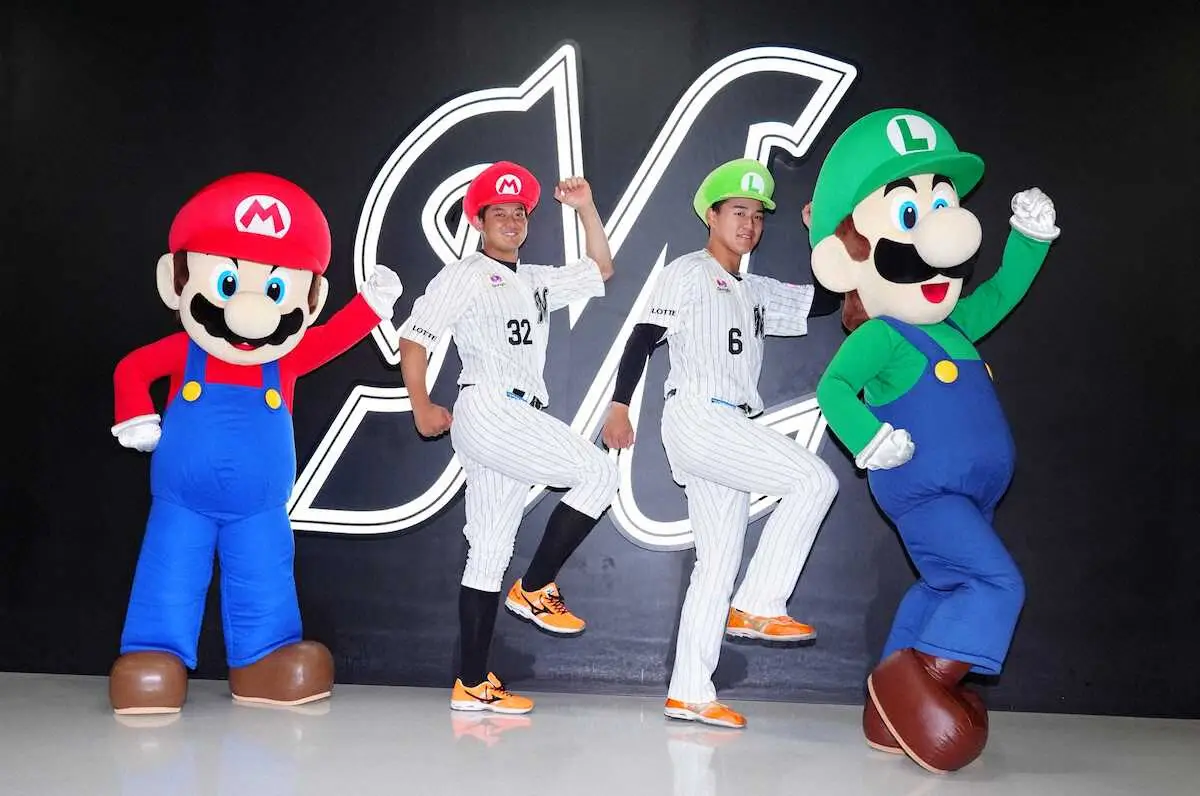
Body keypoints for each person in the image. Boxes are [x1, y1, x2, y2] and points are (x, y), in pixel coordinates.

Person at [807, 107, 1059, 772]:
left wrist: (1029, 241)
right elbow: (834, 389)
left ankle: (882, 718)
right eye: (911, 214)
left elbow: (1001, 291)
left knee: (941, 587)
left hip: (971, 497)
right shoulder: (883, 334)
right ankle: (916, 687)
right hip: (926, 490)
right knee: (994, 582)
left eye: (941, 204)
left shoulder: (954, 326)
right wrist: (868, 439)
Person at [109, 171, 403, 714]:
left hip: (260, 509)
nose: (250, 311)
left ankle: (264, 660)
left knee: (265, 576)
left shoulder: (287, 358)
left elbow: (334, 338)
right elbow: (132, 369)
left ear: (310, 298)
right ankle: (153, 653)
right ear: (177, 280)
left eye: (274, 289)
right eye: (228, 283)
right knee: (169, 571)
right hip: (182, 501)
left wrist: (371, 306)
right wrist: (135, 417)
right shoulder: (183, 350)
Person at [601, 158, 840, 728]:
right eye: (738, 211)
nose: (749, 224)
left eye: (757, 215)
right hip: (700, 416)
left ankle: (689, 692)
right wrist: (619, 404)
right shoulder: (688, 271)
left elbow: (826, 301)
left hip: (730, 426)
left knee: (717, 564)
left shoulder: (755, 288)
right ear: (711, 215)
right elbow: (643, 337)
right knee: (814, 480)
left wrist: (820, 237)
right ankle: (758, 604)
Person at [397, 161, 619, 714]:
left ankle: (472, 682)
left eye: (520, 212)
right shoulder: (465, 274)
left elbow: (601, 269)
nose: (512, 220)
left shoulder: (536, 279)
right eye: (499, 212)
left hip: (514, 415)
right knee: (598, 471)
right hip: (490, 405)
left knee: (489, 552)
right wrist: (420, 403)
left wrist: (586, 207)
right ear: (479, 221)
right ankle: (536, 587)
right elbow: (416, 337)